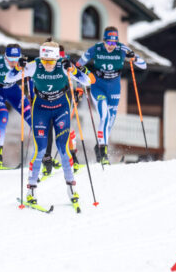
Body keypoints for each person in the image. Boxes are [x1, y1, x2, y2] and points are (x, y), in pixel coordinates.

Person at [23, 41, 92, 211]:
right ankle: (31, 191)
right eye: (44, 61)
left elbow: (88, 81)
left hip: (61, 108)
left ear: (56, 58)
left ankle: (72, 190)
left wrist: (75, 70)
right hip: (40, 109)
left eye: (51, 61)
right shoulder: (34, 66)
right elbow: (10, 77)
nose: (47, 65)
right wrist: (19, 67)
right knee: (39, 149)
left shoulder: (63, 65)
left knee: (63, 148)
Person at [75, 26, 147, 165]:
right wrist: (79, 86)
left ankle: (99, 146)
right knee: (105, 116)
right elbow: (78, 65)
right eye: (108, 42)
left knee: (109, 123)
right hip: (98, 87)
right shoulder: (96, 49)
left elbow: (143, 65)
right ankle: (103, 152)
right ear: (104, 41)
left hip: (114, 89)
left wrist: (134, 58)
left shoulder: (122, 49)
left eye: (113, 43)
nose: (110, 46)